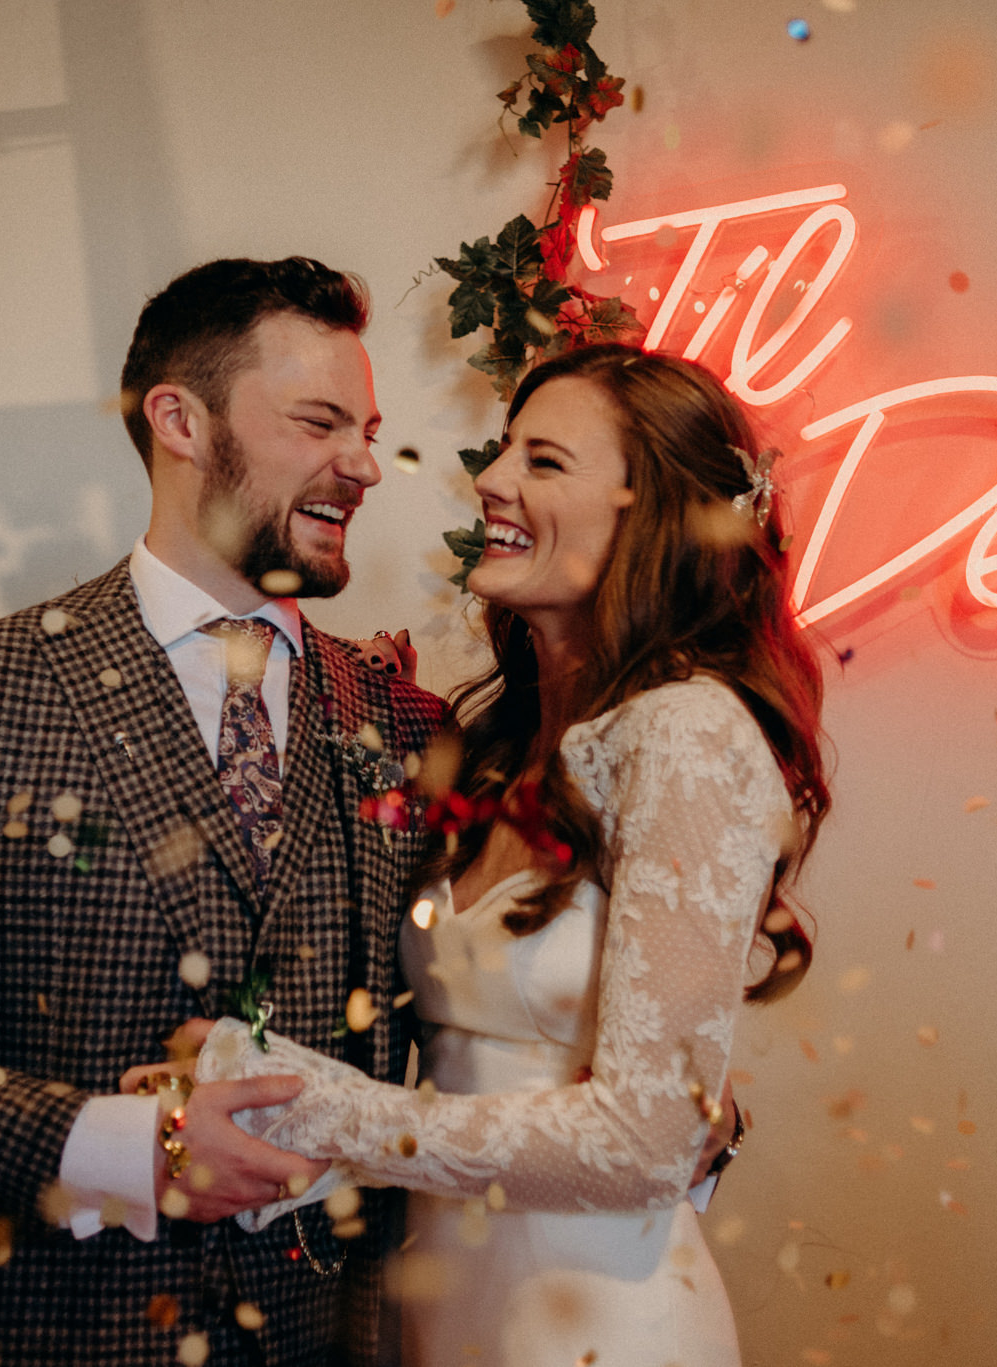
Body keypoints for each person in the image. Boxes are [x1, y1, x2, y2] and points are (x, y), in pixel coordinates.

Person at [0, 257, 447, 1367]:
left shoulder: (403, 725)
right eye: (320, 420)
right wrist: (128, 1144)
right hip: (47, 1337)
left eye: (366, 428)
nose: (364, 463)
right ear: (179, 419)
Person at [194, 345, 830, 1366]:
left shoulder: (687, 732)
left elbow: (649, 1136)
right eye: (501, 453)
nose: (489, 480)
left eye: (542, 460)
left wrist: (322, 1108)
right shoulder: (498, 746)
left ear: (648, 513)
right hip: (449, 1304)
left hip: (594, 1321)